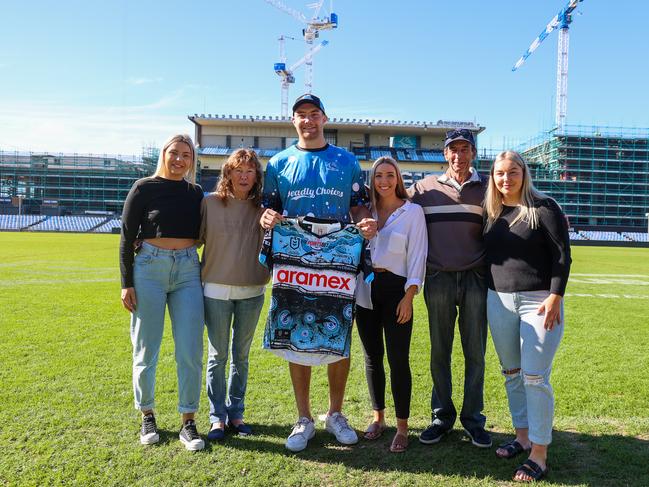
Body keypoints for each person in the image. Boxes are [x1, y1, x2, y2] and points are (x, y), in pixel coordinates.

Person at [259, 93, 377, 452]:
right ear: (293, 121)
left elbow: (358, 206)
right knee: (297, 332)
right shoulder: (279, 163)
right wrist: (265, 220)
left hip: (337, 259)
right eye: (301, 115)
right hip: (295, 259)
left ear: (324, 118)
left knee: (338, 331)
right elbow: (269, 210)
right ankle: (304, 417)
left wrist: (365, 223)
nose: (307, 121)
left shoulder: (346, 161)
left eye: (313, 114)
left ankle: (336, 413)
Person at [483, 151, 571, 482]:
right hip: (498, 300)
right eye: (500, 173)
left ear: (525, 173)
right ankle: (522, 436)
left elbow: (562, 256)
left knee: (534, 377)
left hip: (538, 303)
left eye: (513, 172)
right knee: (512, 373)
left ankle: (539, 452)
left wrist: (555, 296)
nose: (506, 179)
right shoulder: (491, 211)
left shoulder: (544, 207)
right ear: (493, 177)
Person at [120, 134, 205, 451]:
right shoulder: (144, 187)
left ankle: (188, 422)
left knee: (190, 350)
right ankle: (147, 414)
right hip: (148, 271)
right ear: (164, 154)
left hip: (187, 270)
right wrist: (126, 282)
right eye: (174, 153)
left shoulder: (196, 192)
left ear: (192, 160)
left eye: (186, 154)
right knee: (146, 348)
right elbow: (127, 238)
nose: (180, 159)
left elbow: (206, 232)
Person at [409, 129, 492, 448]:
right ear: (445, 154)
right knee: (439, 352)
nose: (459, 155)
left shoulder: (490, 188)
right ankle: (441, 417)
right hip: (439, 278)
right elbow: (392, 205)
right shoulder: (423, 188)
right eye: (453, 149)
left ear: (473, 152)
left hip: (476, 278)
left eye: (465, 148)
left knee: (476, 353)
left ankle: (473, 419)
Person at [355, 157, 427, 453]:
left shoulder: (413, 213)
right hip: (365, 289)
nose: (384, 181)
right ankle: (378, 417)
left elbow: (418, 256)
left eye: (390, 175)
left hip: (397, 290)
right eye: (378, 176)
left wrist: (409, 297)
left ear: (398, 179)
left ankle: (401, 426)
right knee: (372, 357)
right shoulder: (364, 212)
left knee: (398, 360)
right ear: (372, 180)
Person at [200, 149, 269, 441]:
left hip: (252, 290)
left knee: (241, 357)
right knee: (218, 355)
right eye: (238, 170)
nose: (244, 176)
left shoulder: (265, 210)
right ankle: (217, 416)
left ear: (257, 177)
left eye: (250, 171)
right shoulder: (209, 203)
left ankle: (236, 413)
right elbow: (191, 237)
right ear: (227, 173)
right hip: (215, 289)